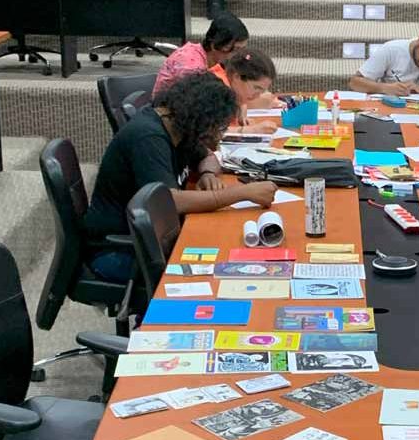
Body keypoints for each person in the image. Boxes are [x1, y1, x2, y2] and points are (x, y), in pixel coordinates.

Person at [84, 70, 278, 282]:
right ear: (203, 118)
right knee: (224, 271)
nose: (219, 135)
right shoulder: (148, 137)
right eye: (218, 127)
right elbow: (171, 200)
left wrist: (207, 173)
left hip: (155, 237)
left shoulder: (179, 125)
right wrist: (243, 193)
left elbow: (208, 157)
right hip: (119, 251)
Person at [153, 11, 249, 95]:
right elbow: (197, 103)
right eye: (236, 49)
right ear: (215, 45)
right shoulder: (191, 64)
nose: (239, 55)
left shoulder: (215, 62)